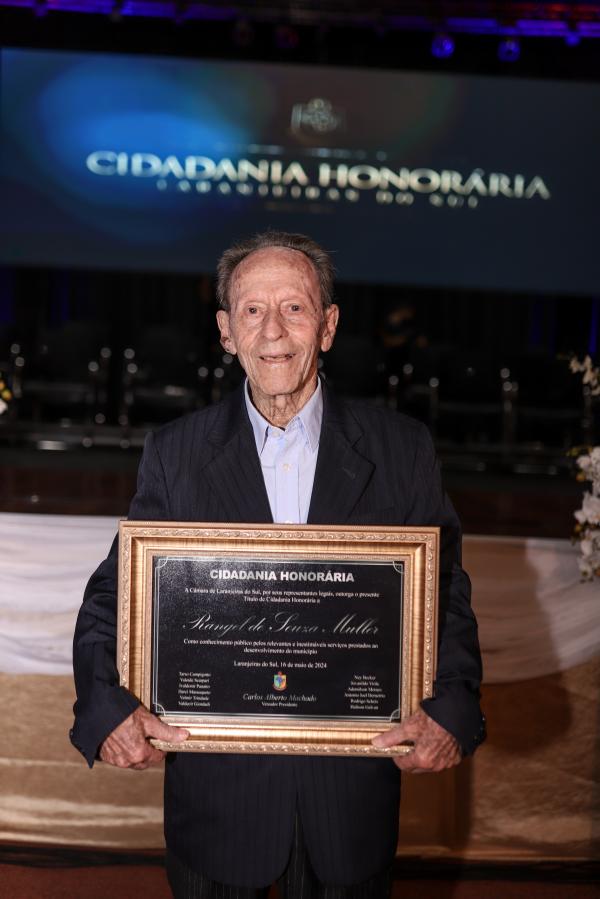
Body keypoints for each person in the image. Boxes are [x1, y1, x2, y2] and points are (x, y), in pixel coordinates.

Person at [71, 231, 485, 899]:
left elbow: (446, 597)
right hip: (218, 806)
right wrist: (106, 709)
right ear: (226, 331)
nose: (273, 330)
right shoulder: (176, 454)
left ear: (328, 326)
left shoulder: (402, 450)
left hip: (348, 807)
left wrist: (452, 710)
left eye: (294, 308)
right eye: (252, 310)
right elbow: (111, 600)